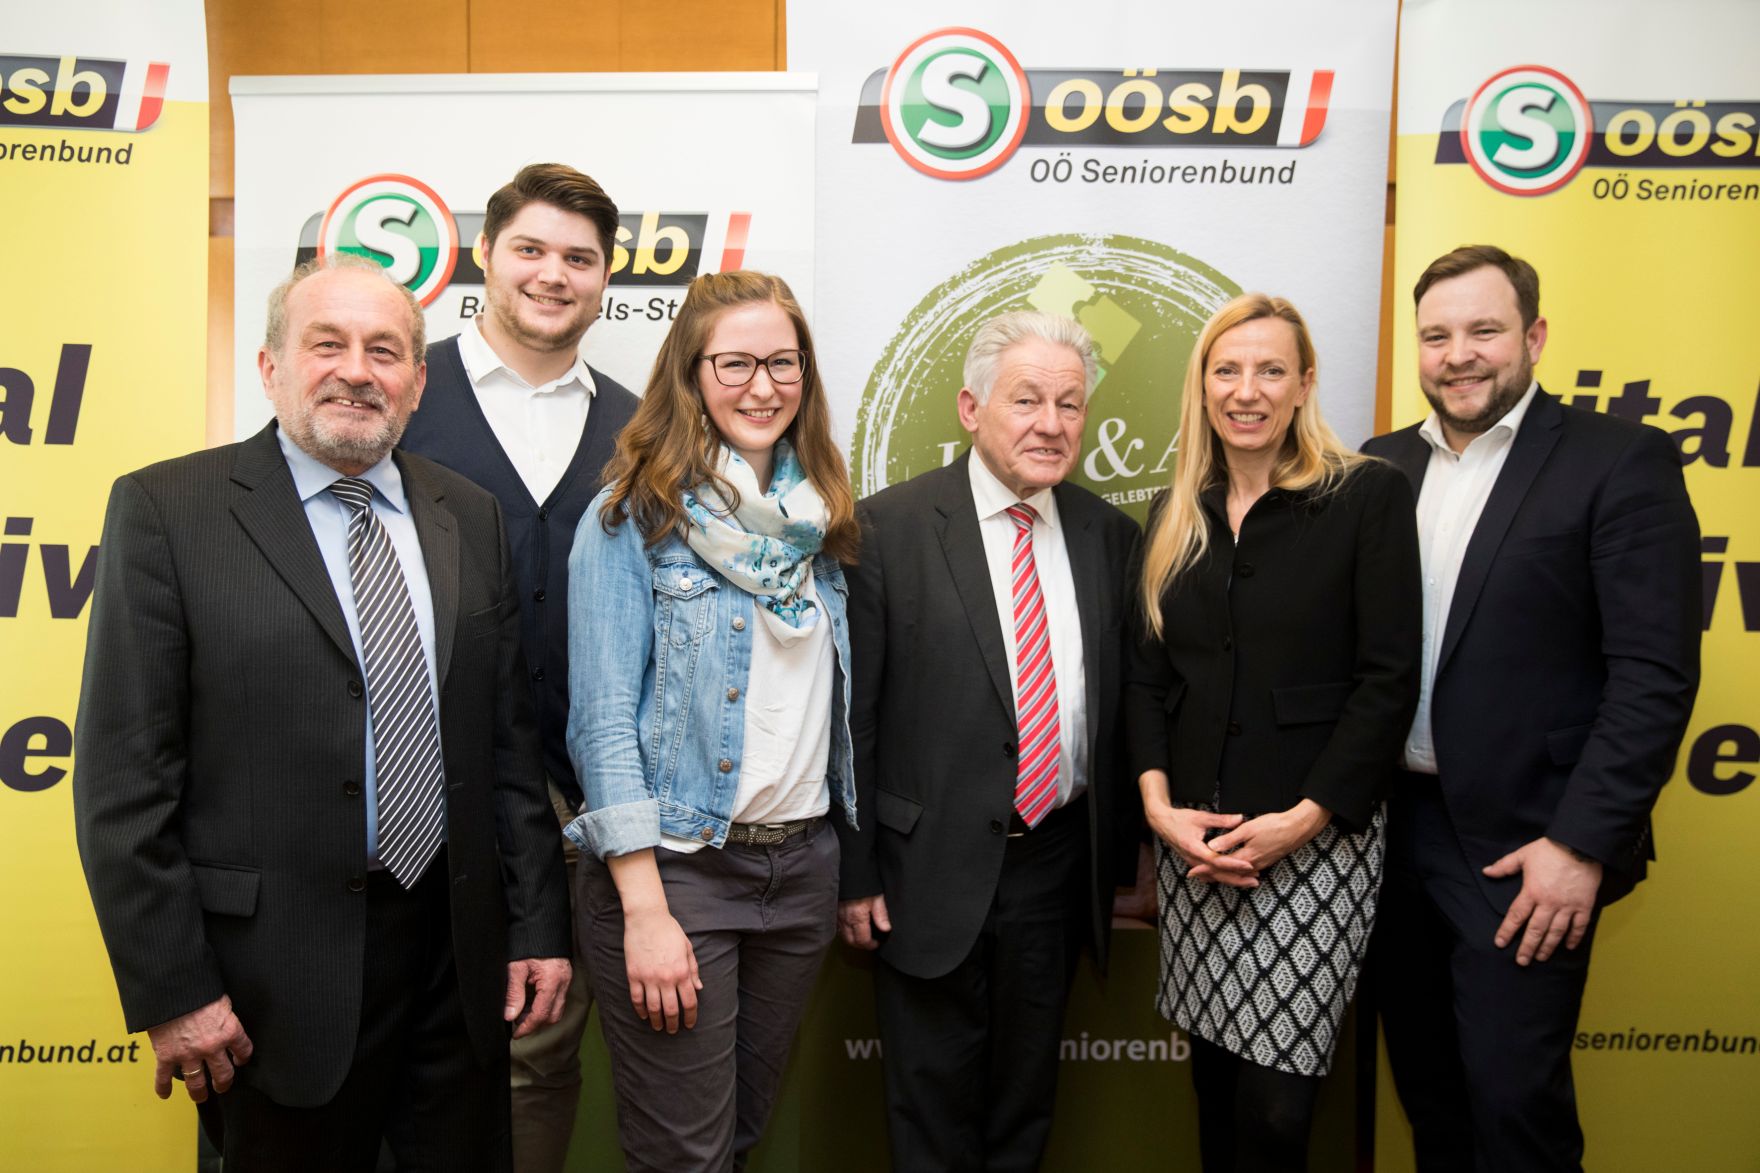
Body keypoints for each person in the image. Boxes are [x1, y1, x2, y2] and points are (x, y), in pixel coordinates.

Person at [73, 254, 573, 1172]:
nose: (357, 369)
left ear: (418, 383)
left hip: (454, 973)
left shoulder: (469, 514)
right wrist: (174, 989)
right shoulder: (168, 510)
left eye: (386, 350)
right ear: (270, 368)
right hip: (269, 985)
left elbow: (507, 751)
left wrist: (537, 926)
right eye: (327, 343)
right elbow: (122, 783)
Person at [1364, 245, 1700, 1172]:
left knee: (1517, 1114)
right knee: (1430, 1099)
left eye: (1484, 331)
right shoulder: (1379, 467)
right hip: (1389, 837)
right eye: (1436, 336)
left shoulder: (1617, 460)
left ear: (1535, 337)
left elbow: (1654, 674)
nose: (1458, 354)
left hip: (1525, 848)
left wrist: (1581, 843)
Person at [563, 270, 859, 1170]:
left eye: (783, 362)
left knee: (736, 1138)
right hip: (679, 876)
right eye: (735, 363)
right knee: (683, 1156)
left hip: (800, 871)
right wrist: (645, 909)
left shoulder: (823, 524)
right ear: (690, 374)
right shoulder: (631, 517)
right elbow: (604, 723)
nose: (762, 386)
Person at [836, 311, 1140, 1171]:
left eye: (1070, 404)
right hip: (920, 872)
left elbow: (1121, 713)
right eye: (1028, 399)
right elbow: (853, 720)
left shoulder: (1108, 537)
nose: (1051, 423)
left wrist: (1125, 864)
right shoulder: (885, 529)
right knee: (929, 1119)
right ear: (971, 408)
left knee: (1024, 1113)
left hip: (1056, 868)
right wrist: (855, 873)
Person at [1125, 293, 1421, 1171]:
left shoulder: (1366, 494)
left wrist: (1304, 818)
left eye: (1269, 370)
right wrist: (1159, 809)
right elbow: (1147, 679)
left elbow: (1387, 678)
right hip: (1197, 843)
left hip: (1316, 844)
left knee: (1280, 1111)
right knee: (1215, 1084)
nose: (1245, 390)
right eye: (1227, 369)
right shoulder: (1173, 511)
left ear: (1304, 385)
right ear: (1203, 385)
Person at [398, 161, 639, 1173]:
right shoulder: (402, 394)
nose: (552, 275)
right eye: (530, 250)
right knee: (423, 1043)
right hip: (431, 785)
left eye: (577, 258)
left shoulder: (641, 426)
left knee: (544, 1053)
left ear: (605, 278)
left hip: (597, 797)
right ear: (484, 257)